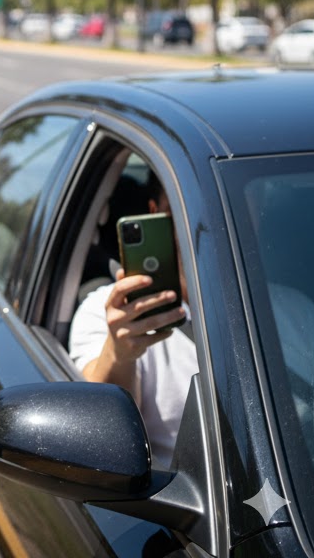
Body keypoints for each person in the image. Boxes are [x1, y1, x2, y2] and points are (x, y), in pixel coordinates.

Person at [68, 174, 198, 467]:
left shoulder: (291, 310)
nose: (212, 223)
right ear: (156, 213)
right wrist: (120, 353)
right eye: (194, 205)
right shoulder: (106, 312)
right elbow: (101, 435)